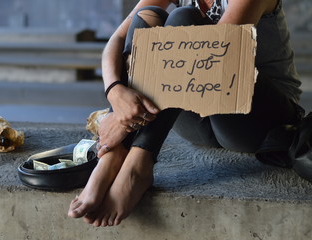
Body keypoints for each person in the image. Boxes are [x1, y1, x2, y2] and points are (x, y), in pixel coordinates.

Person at [68, 0, 304, 227]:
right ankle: (112, 155)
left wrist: (121, 123)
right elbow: (118, 39)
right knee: (148, 16)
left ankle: (139, 165)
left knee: (183, 18)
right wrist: (114, 92)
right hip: (200, 122)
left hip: (258, 120)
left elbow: (216, 57)